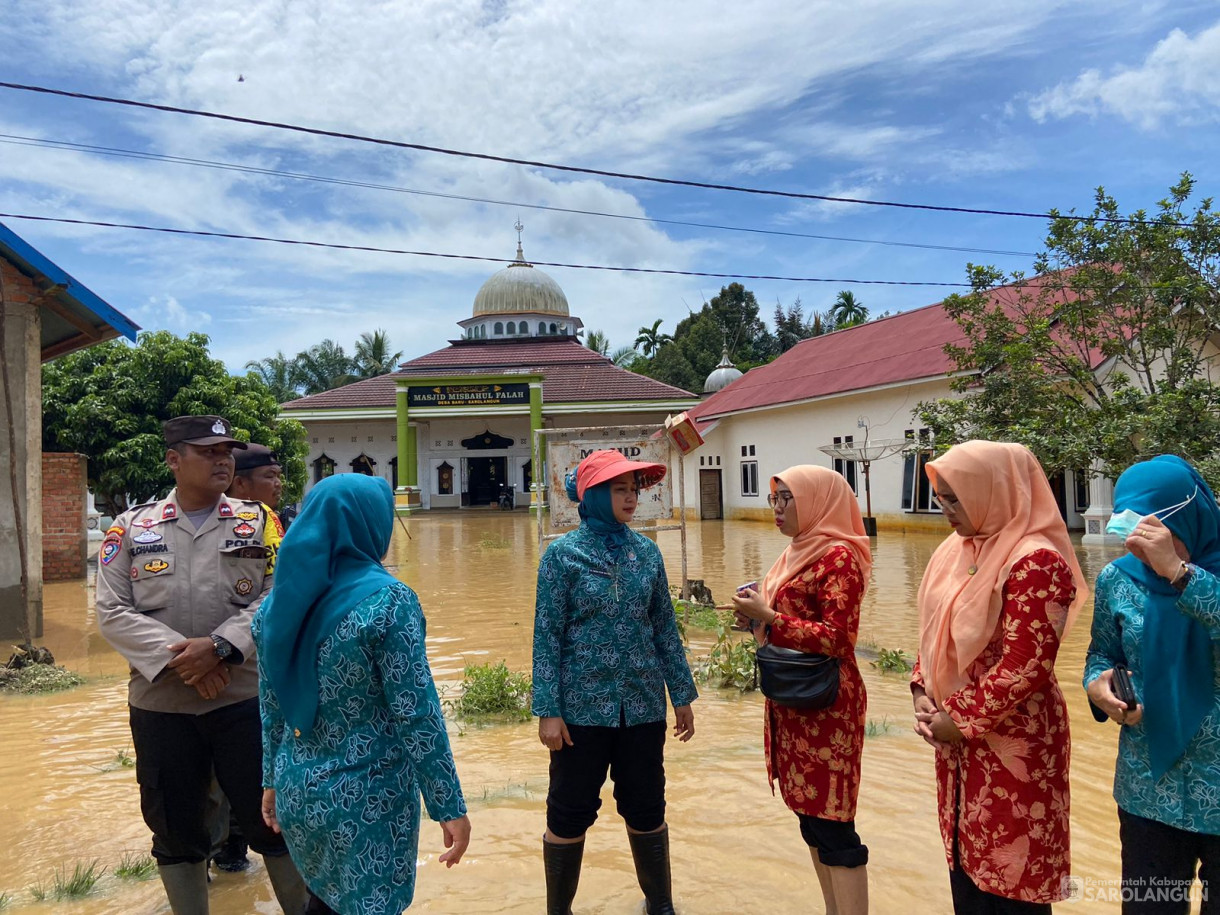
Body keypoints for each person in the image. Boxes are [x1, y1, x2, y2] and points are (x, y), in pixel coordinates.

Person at [95, 415, 308, 915]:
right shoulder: (130, 527)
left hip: (244, 701)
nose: (222, 460)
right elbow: (111, 611)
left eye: (226, 452)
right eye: (208, 452)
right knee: (174, 828)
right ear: (174, 460)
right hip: (162, 705)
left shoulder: (261, 522)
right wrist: (189, 660)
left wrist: (221, 647)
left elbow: (281, 595)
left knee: (272, 820)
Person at [254, 473, 470, 915]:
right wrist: (448, 806)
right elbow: (417, 714)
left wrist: (271, 781)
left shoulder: (274, 608)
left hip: (300, 793)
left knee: (322, 901)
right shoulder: (389, 603)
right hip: (370, 800)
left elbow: (271, 705)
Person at [911, 440, 1087, 913]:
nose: (945, 509)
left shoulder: (1037, 561)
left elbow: (1026, 665)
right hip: (956, 742)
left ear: (993, 490)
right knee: (966, 869)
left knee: (1012, 880)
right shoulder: (958, 551)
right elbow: (934, 631)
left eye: (955, 498)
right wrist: (922, 693)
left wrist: (959, 719)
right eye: (941, 497)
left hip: (1016, 744)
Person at [532, 449, 697, 915]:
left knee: (647, 806)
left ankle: (659, 904)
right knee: (569, 810)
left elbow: (664, 626)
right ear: (594, 495)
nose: (631, 498)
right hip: (580, 711)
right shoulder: (562, 557)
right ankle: (559, 911)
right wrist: (548, 709)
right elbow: (546, 637)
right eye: (619, 488)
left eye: (634, 489)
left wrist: (680, 694)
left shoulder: (646, 552)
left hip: (643, 705)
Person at [731, 465, 873, 915]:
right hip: (793, 703)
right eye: (774, 499)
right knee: (811, 822)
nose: (776, 509)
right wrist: (757, 617)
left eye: (786, 499)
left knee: (835, 827)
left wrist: (771, 618)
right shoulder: (795, 553)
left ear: (816, 501)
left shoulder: (839, 558)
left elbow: (838, 638)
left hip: (827, 708)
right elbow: (784, 628)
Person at [1083, 455, 1220, 912]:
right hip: (1147, 792)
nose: (1140, 548)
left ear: (1187, 517)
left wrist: (1180, 574)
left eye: (1154, 534)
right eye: (1130, 534)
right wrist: (1098, 686)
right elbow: (1103, 653)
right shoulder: (1117, 580)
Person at [209, 443, 286, 874]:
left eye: (279, 476)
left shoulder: (274, 522)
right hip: (215, 663)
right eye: (268, 476)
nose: (277, 484)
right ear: (240, 483)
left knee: (250, 765)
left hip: (258, 666)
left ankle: (237, 845)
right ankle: (224, 846)